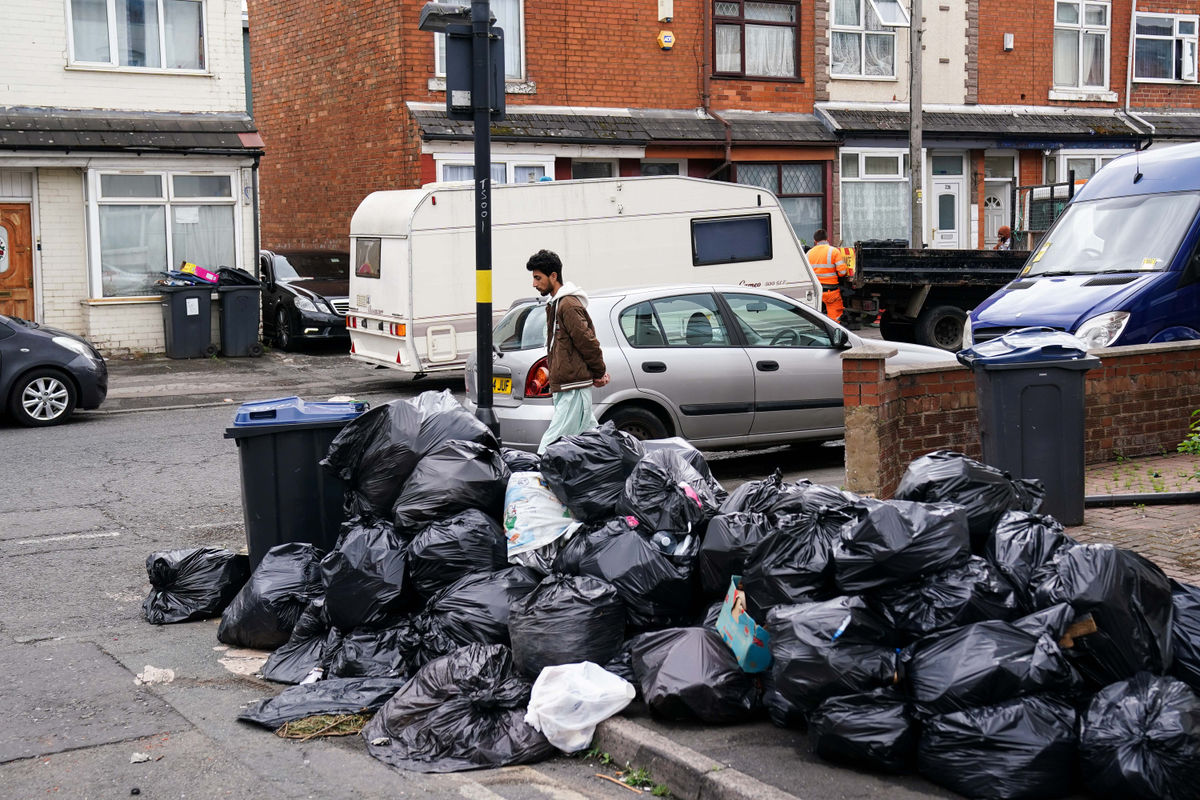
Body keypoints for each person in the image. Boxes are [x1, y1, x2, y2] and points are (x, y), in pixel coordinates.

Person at [526, 249, 610, 453]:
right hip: (567, 386)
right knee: (591, 440)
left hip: (573, 388)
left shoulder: (568, 305)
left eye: (538, 278)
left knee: (552, 443)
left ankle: (537, 469)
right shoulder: (555, 304)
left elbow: (587, 341)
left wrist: (599, 372)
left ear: (553, 276)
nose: (534, 283)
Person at [806, 229, 849, 322]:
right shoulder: (834, 251)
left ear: (815, 241)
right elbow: (842, 273)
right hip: (831, 292)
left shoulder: (809, 253)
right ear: (827, 239)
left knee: (814, 317)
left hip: (815, 291)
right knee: (835, 319)